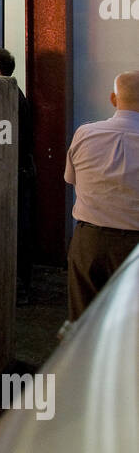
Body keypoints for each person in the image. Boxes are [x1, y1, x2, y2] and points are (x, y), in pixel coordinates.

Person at [64, 70, 139, 320]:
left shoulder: (85, 134)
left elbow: (70, 179)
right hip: (134, 246)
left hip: (89, 242)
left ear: (113, 99)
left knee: (85, 325)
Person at [0, 46, 35, 301]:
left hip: (15, 174)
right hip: (17, 172)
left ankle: (19, 288)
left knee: (17, 232)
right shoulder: (13, 95)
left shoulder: (7, 98)